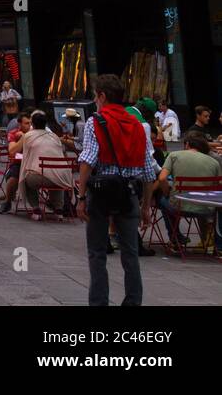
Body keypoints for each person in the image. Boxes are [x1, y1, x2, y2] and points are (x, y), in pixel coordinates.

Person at [77, 73, 159, 307]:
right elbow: (148, 172)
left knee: (97, 253)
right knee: (130, 254)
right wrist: (145, 206)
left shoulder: (96, 121)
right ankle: (133, 302)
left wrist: (81, 197)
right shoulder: (138, 125)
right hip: (129, 193)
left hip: (101, 193)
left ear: (102, 96)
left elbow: (88, 161)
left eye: (95, 96)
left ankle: (99, 302)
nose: (95, 100)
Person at [155, 131, 219, 251]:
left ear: (187, 144)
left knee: (163, 200)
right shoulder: (214, 162)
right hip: (206, 209)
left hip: (179, 207)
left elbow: (162, 178)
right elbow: (217, 187)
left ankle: (175, 239)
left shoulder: (174, 155)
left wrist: (166, 192)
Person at [18, 110, 75, 218]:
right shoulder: (54, 136)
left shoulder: (28, 136)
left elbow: (26, 158)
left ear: (33, 124)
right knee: (55, 175)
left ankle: (36, 209)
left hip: (39, 177)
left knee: (25, 178)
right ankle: (58, 210)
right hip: (62, 177)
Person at [0, 112, 33, 213]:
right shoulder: (13, 133)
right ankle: (7, 202)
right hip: (19, 163)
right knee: (13, 176)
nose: (29, 125)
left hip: (35, 163)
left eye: (30, 123)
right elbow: (12, 151)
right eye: (26, 123)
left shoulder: (35, 133)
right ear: (19, 124)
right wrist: (23, 138)